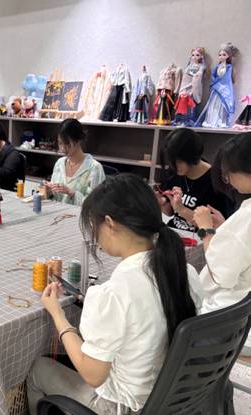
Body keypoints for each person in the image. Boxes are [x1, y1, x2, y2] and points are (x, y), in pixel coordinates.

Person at [28, 173, 198, 415]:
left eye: (93, 226)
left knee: (39, 368)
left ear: (110, 223)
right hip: (173, 398)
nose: (95, 237)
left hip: (125, 407)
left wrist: (58, 316)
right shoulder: (187, 272)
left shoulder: (113, 292)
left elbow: (93, 374)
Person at [193, 132, 251, 357]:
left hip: (225, 321)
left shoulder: (247, 216)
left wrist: (206, 230)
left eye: (228, 173)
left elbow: (220, 273)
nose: (228, 180)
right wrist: (226, 228)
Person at [158, 128, 229, 231]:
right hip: (175, 231)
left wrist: (182, 209)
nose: (174, 166)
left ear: (193, 157)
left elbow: (212, 225)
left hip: (201, 236)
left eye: (179, 161)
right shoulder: (174, 172)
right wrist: (161, 203)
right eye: (171, 161)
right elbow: (170, 212)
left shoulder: (215, 181)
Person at [43, 119, 105, 205]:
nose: (63, 148)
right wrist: (49, 191)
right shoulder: (59, 163)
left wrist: (71, 193)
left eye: (67, 144)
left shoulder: (94, 168)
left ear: (78, 140)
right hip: (57, 212)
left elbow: (96, 205)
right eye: (60, 143)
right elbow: (54, 197)